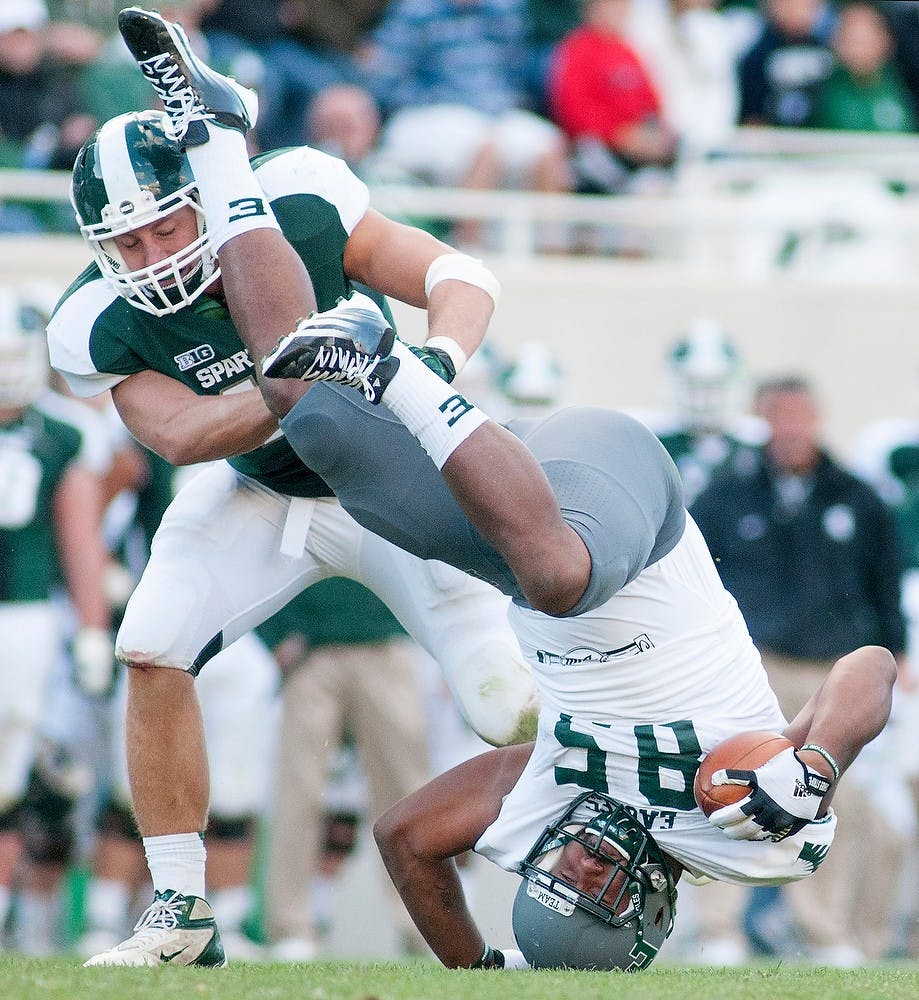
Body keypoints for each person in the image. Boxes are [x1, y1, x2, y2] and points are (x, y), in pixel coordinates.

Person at [108, 8, 897, 970]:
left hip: (512, 518)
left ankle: (220, 141)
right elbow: (869, 670)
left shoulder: (547, 795)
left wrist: (479, 974)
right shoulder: (760, 845)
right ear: (648, 911)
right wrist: (814, 766)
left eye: (560, 874)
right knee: (562, 578)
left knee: (305, 415)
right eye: (602, 888)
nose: (582, 858)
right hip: (624, 517)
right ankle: (395, 366)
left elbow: (406, 841)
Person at [45, 7, 539, 968]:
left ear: (205, 194)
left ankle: (558, 892)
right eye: (127, 245)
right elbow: (183, 436)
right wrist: (300, 379)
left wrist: (427, 359)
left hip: (383, 480)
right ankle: (180, 914)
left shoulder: (301, 201)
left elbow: (457, 273)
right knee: (150, 641)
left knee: (504, 705)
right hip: (257, 492)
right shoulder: (92, 321)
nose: (149, 261)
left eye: (164, 228)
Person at [691, 375, 910, 964]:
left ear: (817, 419)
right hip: (753, 667)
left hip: (833, 672)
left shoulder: (857, 496)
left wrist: (898, 654)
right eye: (779, 417)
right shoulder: (727, 494)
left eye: (800, 416)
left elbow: (883, 584)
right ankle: (719, 930)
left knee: (830, 797)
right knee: (732, 786)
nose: (791, 429)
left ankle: (824, 931)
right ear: (762, 421)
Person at [0, 284, 113, 944]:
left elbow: (80, 537)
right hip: (25, 621)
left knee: (12, 770)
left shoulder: (66, 431)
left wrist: (93, 627)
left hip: (25, 617)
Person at [257, 577, 431, 960]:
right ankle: (290, 926)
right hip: (311, 647)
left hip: (387, 642)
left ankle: (427, 925)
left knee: (409, 795)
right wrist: (276, 633)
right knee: (298, 792)